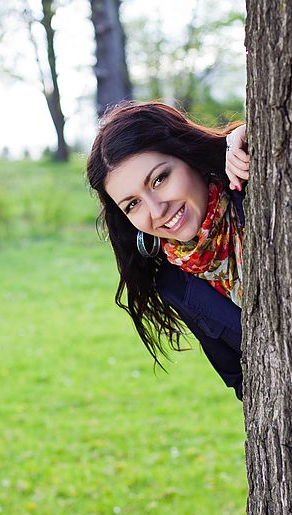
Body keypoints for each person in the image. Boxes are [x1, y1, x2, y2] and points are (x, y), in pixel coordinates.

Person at [86, 101, 249, 400]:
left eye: (159, 179)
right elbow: (243, 379)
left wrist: (248, 136)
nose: (157, 210)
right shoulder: (175, 284)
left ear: (186, 154)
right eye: (133, 204)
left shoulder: (255, 190)